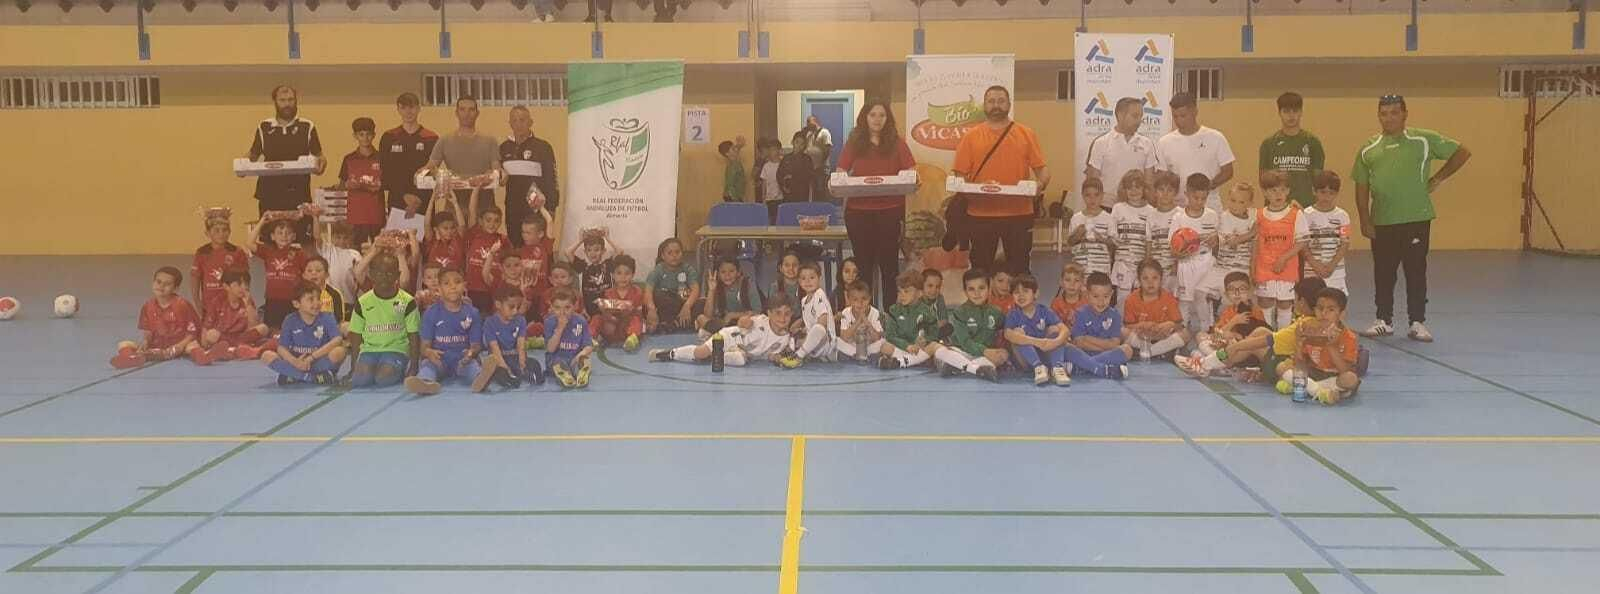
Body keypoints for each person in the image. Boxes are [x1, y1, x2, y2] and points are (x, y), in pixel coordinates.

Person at [1353, 94, 1471, 343]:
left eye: (1394, 113)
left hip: (1416, 218)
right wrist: (1364, 219)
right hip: (1382, 220)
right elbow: (1361, 186)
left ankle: (1417, 322)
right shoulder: (1369, 148)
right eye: (1384, 113)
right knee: (1383, 273)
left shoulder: (1423, 139)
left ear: (1405, 114)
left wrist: (1437, 178)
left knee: (1415, 271)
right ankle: (1383, 320)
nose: (1389, 118)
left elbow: (1462, 152)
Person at [951, 85, 1051, 274]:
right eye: (991, 101)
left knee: (1020, 271)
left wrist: (1040, 184)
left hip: (1019, 213)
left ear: (1009, 104)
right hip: (980, 214)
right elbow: (959, 176)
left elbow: (1043, 171)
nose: (996, 105)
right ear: (984, 105)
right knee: (981, 271)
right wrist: (975, 189)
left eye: (1001, 101)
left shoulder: (1026, 133)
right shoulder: (971, 137)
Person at [837, 101, 918, 306]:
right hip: (858, 214)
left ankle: (891, 315)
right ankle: (865, 314)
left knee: (889, 267)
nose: (877, 119)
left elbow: (912, 172)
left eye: (882, 115)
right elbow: (840, 172)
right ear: (865, 117)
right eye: (872, 114)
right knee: (864, 268)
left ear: (887, 118)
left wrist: (912, 178)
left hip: (890, 213)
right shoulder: (854, 143)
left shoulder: (898, 143)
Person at [1177, 276, 1326, 379]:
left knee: (1252, 340)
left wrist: (1238, 346)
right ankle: (1207, 362)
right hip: (1286, 360)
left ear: (1302, 302)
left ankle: (1205, 364)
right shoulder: (1311, 320)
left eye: (1295, 298)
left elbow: (1269, 339)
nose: (1294, 301)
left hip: (1287, 366)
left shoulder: (1303, 324)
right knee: (1258, 333)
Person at [246, 85, 326, 243]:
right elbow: (253, 154)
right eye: (282, 100)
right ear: (275, 102)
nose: (287, 104)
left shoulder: (307, 126)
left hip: (298, 192)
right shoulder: (264, 126)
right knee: (270, 241)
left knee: (302, 239)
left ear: (296, 101)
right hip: (269, 192)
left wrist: (321, 165)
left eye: (290, 100)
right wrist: (241, 165)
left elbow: (320, 156)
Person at [407, 269, 493, 395]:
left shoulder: (473, 313)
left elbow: (476, 345)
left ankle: (481, 379)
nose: (453, 286)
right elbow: (424, 347)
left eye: (457, 282)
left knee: (472, 366)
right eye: (446, 283)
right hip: (439, 360)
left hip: (462, 360)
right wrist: (429, 352)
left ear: (464, 285)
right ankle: (426, 383)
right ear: (439, 288)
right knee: (428, 367)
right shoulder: (430, 313)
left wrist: (471, 353)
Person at [651, 295, 797, 367]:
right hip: (729, 338)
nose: (783, 318)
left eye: (787, 314)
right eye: (778, 313)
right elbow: (742, 323)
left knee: (741, 360)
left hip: (743, 353)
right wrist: (744, 321)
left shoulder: (786, 339)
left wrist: (779, 359)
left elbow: (771, 355)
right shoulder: (761, 320)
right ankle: (670, 353)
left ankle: (717, 356)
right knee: (701, 352)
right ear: (769, 313)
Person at [111, 267, 212, 368]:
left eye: (167, 284)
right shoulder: (148, 306)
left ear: (176, 288)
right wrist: (145, 342)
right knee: (123, 344)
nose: (161, 286)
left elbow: (192, 332)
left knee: (192, 345)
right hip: (157, 347)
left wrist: (180, 346)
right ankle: (131, 359)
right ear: (153, 283)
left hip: (179, 346)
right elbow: (147, 330)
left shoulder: (182, 305)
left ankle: (202, 357)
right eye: (158, 282)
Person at [348, 252, 421, 389]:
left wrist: (414, 367)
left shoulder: (407, 301)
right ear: (371, 275)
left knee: (383, 379)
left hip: (396, 350)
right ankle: (370, 369)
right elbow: (356, 335)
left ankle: (396, 368)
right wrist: (353, 367)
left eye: (389, 273)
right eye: (379, 273)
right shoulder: (363, 302)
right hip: (369, 351)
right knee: (361, 380)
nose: (384, 277)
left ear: (398, 275)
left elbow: (414, 335)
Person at [1278, 287, 1364, 404]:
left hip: (1335, 376)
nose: (1324, 313)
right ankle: (1319, 392)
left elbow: (1345, 370)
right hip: (1313, 373)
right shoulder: (1308, 330)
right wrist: (1298, 342)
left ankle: (1303, 387)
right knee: (1281, 367)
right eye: (1320, 308)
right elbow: (1300, 365)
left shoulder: (1348, 337)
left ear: (1341, 314)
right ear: (1314, 310)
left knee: (1350, 379)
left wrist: (1332, 346)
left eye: (1331, 309)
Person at [421, 95, 501, 218]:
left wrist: (491, 174)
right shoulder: (445, 140)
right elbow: (430, 167)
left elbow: (496, 171)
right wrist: (422, 172)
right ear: (456, 113)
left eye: (471, 110)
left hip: (484, 205)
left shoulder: (490, 141)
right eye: (462, 109)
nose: (467, 114)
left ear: (477, 113)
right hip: (454, 204)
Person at [1155, 91, 1235, 211]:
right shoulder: (1164, 142)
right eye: (1175, 116)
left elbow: (1228, 171)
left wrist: (1207, 187)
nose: (1179, 121)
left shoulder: (1216, 138)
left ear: (1195, 112)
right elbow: (1162, 178)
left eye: (1183, 116)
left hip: (1209, 207)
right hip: (1178, 209)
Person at [1177, 271, 1267, 373]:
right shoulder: (1228, 311)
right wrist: (1232, 323)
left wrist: (1235, 336)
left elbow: (1257, 338)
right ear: (1226, 294)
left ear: (1250, 292)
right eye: (1232, 290)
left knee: (1199, 351)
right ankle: (1210, 361)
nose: (1237, 293)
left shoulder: (1254, 311)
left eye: (1242, 289)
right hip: (1226, 349)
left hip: (1242, 351)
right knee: (1201, 335)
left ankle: (1205, 361)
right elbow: (1216, 336)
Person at [1254, 170, 1310, 330]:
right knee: (1265, 301)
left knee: (1285, 303)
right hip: (1265, 268)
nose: (1278, 194)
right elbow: (1255, 243)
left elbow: (1302, 241)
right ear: (1265, 192)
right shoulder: (1258, 215)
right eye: (1273, 190)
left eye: (1283, 190)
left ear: (1288, 191)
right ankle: (1266, 336)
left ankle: (1282, 338)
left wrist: (1284, 258)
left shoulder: (1296, 214)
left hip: (1287, 268)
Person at [929, 268, 1006, 382]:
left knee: (996, 360)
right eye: (971, 289)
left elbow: (1006, 332)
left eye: (981, 288)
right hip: (962, 351)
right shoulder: (960, 312)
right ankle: (974, 369)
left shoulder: (996, 312)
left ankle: (959, 366)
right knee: (941, 352)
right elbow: (965, 342)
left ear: (989, 289)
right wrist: (985, 350)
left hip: (984, 355)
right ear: (965, 292)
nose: (977, 293)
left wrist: (1000, 352)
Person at [500, 106, 560, 247]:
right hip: (513, 209)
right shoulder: (503, 148)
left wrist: (551, 208)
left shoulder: (543, 147)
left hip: (536, 208)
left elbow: (552, 180)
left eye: (522, 120)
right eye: (514, 120)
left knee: (539, 250)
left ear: (530, 122)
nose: (518, 124)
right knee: (516, 248)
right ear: (510, 123)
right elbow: (499, 177)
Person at [264, 283, 346, 385]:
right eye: (311, 299)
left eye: (318, 299)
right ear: (296, 304)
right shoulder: (290, 320)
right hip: (297, 361)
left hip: (317, 361)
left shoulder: (327, 317)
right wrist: (295, 362)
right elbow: (281, 348)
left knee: (340, 351)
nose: (317, 303)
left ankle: (292, 375)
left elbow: (337, 339)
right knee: (267, 355)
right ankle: (309, 377)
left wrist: (311, 357)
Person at [1171, 173, 1221, 334]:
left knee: (1203, 298)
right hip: (1186, 263)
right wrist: (1179, 255)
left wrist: (1215, 243)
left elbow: (1218, 241)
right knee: (1185, 300)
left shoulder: (1212, 215)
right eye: (1195, 198)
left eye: (1203, 198)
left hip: (1206, 261)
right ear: (1187, 194)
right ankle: (1182, 333)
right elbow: (1172, 246)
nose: (1199, 202)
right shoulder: (1178, 217)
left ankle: (1206, 331)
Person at [1004, 273, 1073, 387]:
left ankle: (1057, 368)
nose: (1021, 295)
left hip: (1045, 353)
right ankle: (1038, 367)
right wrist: (1037, 342)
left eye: (1025, 291)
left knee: (1054, 329)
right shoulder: (1013, 314)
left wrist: (1055, 342)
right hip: (1026, 361)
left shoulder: (1044, 311)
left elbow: (1065, 330)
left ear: (1036, 293)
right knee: (1017, 333)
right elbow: (1008, 334)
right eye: (1016, 292)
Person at [1259, 92, 1325, 208]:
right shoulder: (1268, 144)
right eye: (1286, 111)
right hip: (1277, 207)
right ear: (1279, 113)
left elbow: (1318, 180)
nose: (1291, 116)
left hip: (1307, 206)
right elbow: (1264, 180)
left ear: (1301, 112)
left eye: (1295, 111)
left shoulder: (1313, 142)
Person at [379, 92, 440, 215]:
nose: (408, 112)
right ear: (398, 109)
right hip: (397, 199)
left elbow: (432, 171)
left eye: (411, 107)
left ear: (418, 108)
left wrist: (418, 199)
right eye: (403, 108)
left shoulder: (431, 137)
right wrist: (403, 195)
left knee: (425, 229)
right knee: (397, 229)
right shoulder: (389, 137)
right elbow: (385, 171)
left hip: (423, 200)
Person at [248, 218, 310, 331]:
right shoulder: (268, 251)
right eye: (280, 233)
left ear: (294, 236)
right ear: (273, 236)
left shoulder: (299, 254)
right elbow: (249, 243)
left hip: (292, 301)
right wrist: (262, 221)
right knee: (272, 331)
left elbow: (307, 274)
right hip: (272, 301)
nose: (284, 236)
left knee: (292, 330)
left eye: (288, 233)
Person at [1121, 260, 1190, 361]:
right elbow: (1128, 326)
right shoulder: (1131, 299)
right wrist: (1142, 325)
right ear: (1139, 280)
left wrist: (1169, 324)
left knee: (1185, 334)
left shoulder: (1168, 298)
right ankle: (1157, 352)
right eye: (1145, 278)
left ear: (1161, 279)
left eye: (1155, 278)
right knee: (1122, 332)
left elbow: (1178, 325)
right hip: (1141, 339)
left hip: (1162, 338)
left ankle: (1150, 352)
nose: (1150, 282)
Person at [1068, 272, 1133, 379]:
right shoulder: (1080, 313)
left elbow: (1114, 344)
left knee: (1127, 350)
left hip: (1106, 354)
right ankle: (1101, 368)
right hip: (1085, 354)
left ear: (1111, 294)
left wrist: (1087, 338)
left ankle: (1083, 367)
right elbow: (1079, 342)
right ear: (1087, 295)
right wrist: (1106, 344)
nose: (1101, 301)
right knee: (1068, 348)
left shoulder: (1115, 315)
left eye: (1106, 296)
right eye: (1095, 296)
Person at [1084, 96, 1156, 191]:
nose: (1139, 121)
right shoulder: (1101, 143)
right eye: (1135, 116)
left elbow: (1149, 183)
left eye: (1140, 116)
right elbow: (1093, 183)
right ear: (1120, 115)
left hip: (1136, 200)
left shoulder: (1147, 144)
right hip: (1107, 200)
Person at [199, 270, 271, 361]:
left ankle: (232, 350)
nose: (243, 287)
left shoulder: (247, 300)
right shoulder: (217, 302)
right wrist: (204, 346)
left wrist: (248, 305)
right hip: (223, 337)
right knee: (211, 334)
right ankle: (242, 349)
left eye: (245, 284)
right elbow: (206, 329)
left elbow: (254, 325)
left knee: (264, 328)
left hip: (242, 336)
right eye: (238, 284)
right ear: (226, 286)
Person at [775, 263, 837, 368]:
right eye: (803, 278)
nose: (807, 281)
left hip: (827, 344)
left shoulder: (819, 294)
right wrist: (801, 331)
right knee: (792, 335)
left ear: (819, 278)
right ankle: (788, 354)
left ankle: (798, 356)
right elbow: (809, 324)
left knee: (818, 328)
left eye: (812, 278)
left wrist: (809, 336)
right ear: (799, 281)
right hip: (814, 346)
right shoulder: (804, 301)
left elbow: (823, 321)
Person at [191, 213, 249, 322]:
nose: (221, 234)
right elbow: (195, 277)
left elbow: (244, 280)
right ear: (207, 233)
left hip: (232, 304)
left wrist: (245, 300)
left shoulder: (237, 252)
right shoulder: (202, 252)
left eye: (225, 230)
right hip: (208, 305)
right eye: (216, 230)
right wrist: (197, 301)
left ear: (230, 231)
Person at [482, 285, 542, 390]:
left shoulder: (521, 320)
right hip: (499, 360)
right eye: (511, 307)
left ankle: (530, 377)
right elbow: (495, 349)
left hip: (515, 359)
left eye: (518, 307)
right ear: (498, 304)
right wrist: (505, 367)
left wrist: (522, 363)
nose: (515, 311)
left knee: (535, 364)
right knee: (500, 372)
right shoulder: (490, 322)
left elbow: (521, 346)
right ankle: (510, 379)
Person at [338, 117, 386, 245]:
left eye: (368, 134)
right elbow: (342, 185)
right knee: (355, 251)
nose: (365, 138)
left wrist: (377, 186)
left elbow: (386, 184)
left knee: (379, 249)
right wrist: (348, 184)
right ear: (355, 136)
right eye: (361, 134)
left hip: (376, 215)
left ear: (374, 135)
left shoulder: (382, 158)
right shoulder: (348, 159)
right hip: (356, 216)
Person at [878, 270, 939, 370]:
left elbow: (934, 334)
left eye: (906, 291)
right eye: (899, 291)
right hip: (903, 348)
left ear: (919, 293)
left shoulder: (927, 312)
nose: (902, 295)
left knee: (934, 346)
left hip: (919, 349)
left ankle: (900, 361)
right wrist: (907, 346)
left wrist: (925, 340)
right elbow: (890, 335)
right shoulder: (894, 310)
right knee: (885, 347)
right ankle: (916, 361)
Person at [1303, 171, 1353, 293]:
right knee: (1312, 301)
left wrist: (1332, 265)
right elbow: (1303, 245)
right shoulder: (1305, 215)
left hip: (1336, 272)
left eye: (1331, 193)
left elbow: (1345, 243)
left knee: (1336, 301)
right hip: (1311, 271)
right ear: (1314, 191)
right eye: (1323, 192)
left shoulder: (1343, 216)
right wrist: (1315, 265)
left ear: (1337, 193)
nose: (1326, 197)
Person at [1212, 182, 1258, 311]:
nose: (1236, 205)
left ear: (1249, 203)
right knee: (1225, 300)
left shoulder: (1254, 216)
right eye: (1233, 200)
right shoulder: (1223, 217)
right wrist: (1251, 233)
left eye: (1241, 202)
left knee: (1245, 300)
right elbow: (1231, 242)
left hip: (1244, 268)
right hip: (1224, 267)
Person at [1109, 170, 1154, 303]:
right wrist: (1114, 238)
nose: (1134, 191)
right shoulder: (1118, 208)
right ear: (1124, 190)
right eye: (1130, 188)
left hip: (1141, 262)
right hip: (1122, 262)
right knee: (1122, 298)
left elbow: (1150, 239)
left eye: (1137, 187)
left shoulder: (1151, 211)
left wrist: (1147, 261)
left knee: (1141, 297)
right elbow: (1111, 231)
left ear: (1144, 189)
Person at [645, 238, 701, 333]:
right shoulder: (658, 270)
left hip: (683, 303)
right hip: (666, 305)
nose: (674, 256)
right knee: (658, 296)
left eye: (677, 252)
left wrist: (687, 306)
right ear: (663, 256)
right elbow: (648, 291)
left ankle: (671, 324)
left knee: (702, 303)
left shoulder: (688, 269)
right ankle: (680, 323)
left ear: (682, 253)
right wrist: (651, 309)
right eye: (670, 253)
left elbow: (695, 290)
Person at [697, 258, 763, 338]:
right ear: (718, 274)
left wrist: (733, 315)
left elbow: (757, 312)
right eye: (723, 272)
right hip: (725, 324)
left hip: (744, 323)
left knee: (748, 322)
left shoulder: (748, 284)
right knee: (701, 318)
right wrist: (711, 290)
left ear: (738, 272)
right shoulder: (716, 286)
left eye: (731, 271)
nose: (727, 275)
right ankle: (726, 334)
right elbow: (708, 315)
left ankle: (722, 335)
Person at [544, 287, 596, 389]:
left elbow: (589, 346)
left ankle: (581, 374)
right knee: (558, 363)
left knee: (583, 359)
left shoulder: (580, 321)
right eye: (557, 308)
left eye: (567, 308)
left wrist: (579, 356)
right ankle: (565, 376)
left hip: (573, 359)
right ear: (551, 307)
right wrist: (560, 329)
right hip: (555, 360)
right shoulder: (549, 322)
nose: (562, 312)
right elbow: (550, 349)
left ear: (575, 306)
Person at [593, 255, 646, 352]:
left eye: (627, 273)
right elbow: (605, 314)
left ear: (633, 275)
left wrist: (630, 310)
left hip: (627, 327)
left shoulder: (637, 292)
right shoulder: (608, 293)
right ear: (613, 275)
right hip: (611, 326)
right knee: (597, 318)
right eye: (619, 273)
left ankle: (632, 339)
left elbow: (639, 314)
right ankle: (591, 339)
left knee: (636, 320)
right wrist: (606, 313)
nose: (623, 277)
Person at [463, 204, 509, 313]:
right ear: (481, 221)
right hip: (473, 289)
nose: (492, 224)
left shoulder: (503, 240)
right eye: (488, 220)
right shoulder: (473, 236)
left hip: (492, 291)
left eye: (496, 221)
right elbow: (471, 213)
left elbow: (509, 263)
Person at [1067, 178, 1116, 278]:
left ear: (1102, 195)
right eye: (1088, 195)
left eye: (1096, 195)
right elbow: (1070, 242)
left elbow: (1114, 244)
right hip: (1080, 267)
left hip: (1102, 267)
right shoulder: (1076, 218)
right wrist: (1077, 234)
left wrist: (1102, 239)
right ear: (1082, 196)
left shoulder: (1109, 218)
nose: (1092, 199)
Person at [1145, 171, 1183, 293]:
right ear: (1155, 191)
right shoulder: (1150, 215)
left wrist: (1176, 265)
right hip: (1156, 270)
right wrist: (1149, 267)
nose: (1165, 194)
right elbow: (1149, 244)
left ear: (1176, 192)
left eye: (1169, 190)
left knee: (1173, 300)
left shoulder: (1181, 214)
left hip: (1174, 270)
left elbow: (1184, 245)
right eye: (1161, 190)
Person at [569, 231, 623, 315]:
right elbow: (568, 252)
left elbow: (619, 251)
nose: (592, 253)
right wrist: (581, 240)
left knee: (628, 306)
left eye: (596, 250)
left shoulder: (607, 264)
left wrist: (607, 237)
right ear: (585, 252)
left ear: (603, 251)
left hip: (608, 306)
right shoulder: (583, 266)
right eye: (589, 250)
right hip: (590, 307)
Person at [312, 222, 362, 313]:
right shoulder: (328, 250)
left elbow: (360, 275)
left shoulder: (355, 254)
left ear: (350, 238)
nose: (342, 241)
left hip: (348, 299)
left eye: (345, 238)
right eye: (338, 237)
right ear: (332, 238)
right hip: (328, 301)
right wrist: (316, 218)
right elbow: (317, 237)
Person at [835, 280, 886, 364]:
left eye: (864, 299)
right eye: (855, 300)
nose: (860, 303)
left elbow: (877, 338)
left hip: (869, 347)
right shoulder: (845, 312)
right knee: (837, 341)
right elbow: (844, 337)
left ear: (869, 298)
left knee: (883, 342)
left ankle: (862, 357)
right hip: (853, 347)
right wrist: (858, 321)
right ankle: (858, 356)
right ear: (849, 300)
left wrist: (865, 320)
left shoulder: (875, 312)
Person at [422, 190, 468, 273]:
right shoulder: (432, 241)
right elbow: (427, 224)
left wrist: (455, 203)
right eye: (445, 228)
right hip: (435, 280)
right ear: (436, 229)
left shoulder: (457, 240)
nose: (449, 231)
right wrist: (431, 201)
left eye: (452, 228)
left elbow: (462, 226)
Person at [301, 255, 349, 328]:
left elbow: (338, 320)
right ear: (304, 275)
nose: (313, 273)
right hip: (305, 328)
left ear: (327, 275)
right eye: (309, 271)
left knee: (345, 326)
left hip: (328, 328)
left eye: (318, 270)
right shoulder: (299, 293)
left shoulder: (334, 293)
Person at [777, 131, 816, 203]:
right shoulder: (786, 158)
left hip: (802, 193)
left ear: (804, 146)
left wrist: (793, 176)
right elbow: (779, 175)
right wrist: (783, 186)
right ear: (792, 142)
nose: (799, 146)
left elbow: (809, 175)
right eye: (797, 142)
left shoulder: (807, 159)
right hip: (788, 194)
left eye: (802, 144)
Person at [803, 115, 834, 200]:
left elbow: (827, 149)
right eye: (807, 122)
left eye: (809, 121)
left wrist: (820, 164)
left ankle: (824, 206)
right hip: (811, 168)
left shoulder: (824, 132)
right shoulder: (809, 134)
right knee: (814, 191)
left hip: (822, 168)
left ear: (815, 121)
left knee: (822, 190)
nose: (808, 124)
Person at [1049, 262, 1089, 328]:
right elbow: (1052, 324)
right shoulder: (1056, 303)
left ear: (1082, 283)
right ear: (1061, 282)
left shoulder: (1087, 302)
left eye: (1076, 280)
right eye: (1068, 280)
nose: (1072, 284)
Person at [758, 138, 784, 222]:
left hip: (781, 198)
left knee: (780, 219)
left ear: (779, 150)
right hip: (769, 199)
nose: (771, 152)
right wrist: (763, 198)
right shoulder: (766, 166)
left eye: (773, 149)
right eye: (769, 150)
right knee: (771, 220)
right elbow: (764, 183)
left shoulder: (783, 164)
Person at [720, 138, 748, 202]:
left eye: (734, 148)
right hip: (733, 197)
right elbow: (730, 185)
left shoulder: (735, 162)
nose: (735, 150)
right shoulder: (732, 166)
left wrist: (739, 145)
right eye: (733, 149)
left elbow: (737, 151)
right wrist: (736, 200)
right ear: (727, 153)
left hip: (735, 196)